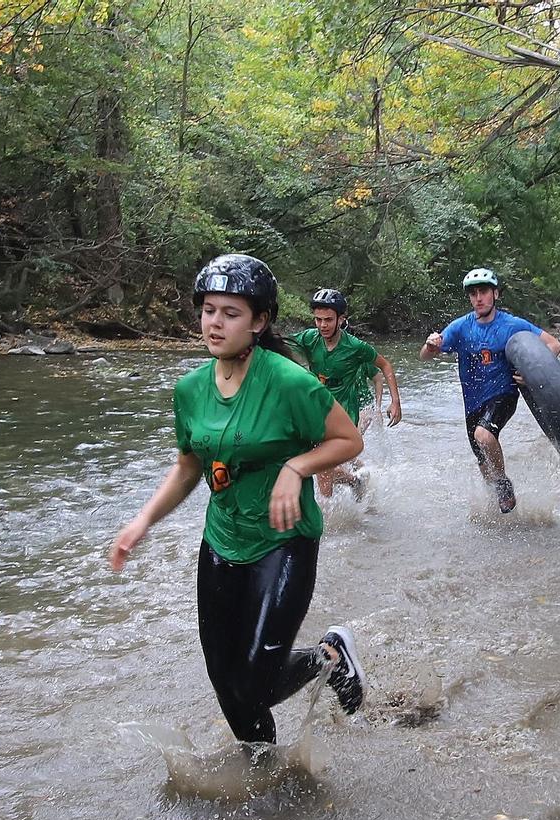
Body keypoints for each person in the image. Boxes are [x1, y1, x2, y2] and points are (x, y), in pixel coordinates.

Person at [110, 253, 369, 744]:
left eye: (230, 313)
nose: (215, 323)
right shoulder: (190, 390)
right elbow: (189, 467)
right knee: (226, 684)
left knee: (255, 680)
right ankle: (261, 778)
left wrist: (297, 467)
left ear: (259, 321)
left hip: (284, 541)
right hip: (222, 541)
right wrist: (143, 521)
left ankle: (330, 656)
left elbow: (349, 441)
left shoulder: (289, 382)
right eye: (208, 310)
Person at [420, 267, 560, 514]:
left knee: (484, 436)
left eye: (484, 292)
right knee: (483, 463)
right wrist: (430, 344)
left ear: (495, 293)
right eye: (474, 293)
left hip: (504, 393)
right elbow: (424, 357)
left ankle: (504, 483)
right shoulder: (460, 327)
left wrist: (533, 371)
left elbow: (554, 345)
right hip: (472, 401)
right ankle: (499, 510)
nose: (479, 298)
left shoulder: (512, 325)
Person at [292, 287, 401, 499]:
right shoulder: (309, 339)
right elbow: (280, 346)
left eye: (328, 320)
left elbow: (385, 367)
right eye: (318, 320)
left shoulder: (355, 347)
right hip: (316, 412)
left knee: (321, 469)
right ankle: (354, 482)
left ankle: (327, 524)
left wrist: (394, 402)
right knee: (316, 466)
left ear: (341, 319)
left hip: (343, 416)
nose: (322, 325)